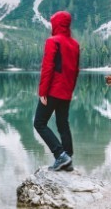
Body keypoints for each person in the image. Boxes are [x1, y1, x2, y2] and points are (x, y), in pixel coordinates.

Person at [34, 11, 80, 171]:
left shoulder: (53, 41)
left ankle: (60, 155)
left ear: (56, 24)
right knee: (62, 124)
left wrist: (42, 92)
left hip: (53, 90)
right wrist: (70, 90)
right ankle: (68, 159)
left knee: (39, 123)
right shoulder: (75, 44)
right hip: (66, 91)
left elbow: (48, 68)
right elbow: (76, 71)